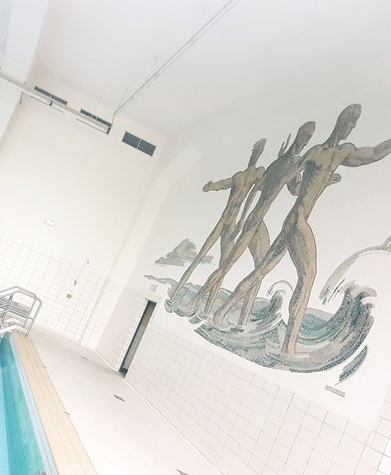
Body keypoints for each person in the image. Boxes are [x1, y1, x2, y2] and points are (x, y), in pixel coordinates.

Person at [211, 104, 391, 354]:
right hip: (298, 221)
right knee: (307, 279)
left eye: (355, 123)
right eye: (350, 122)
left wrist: (324, 183)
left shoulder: (338, 152)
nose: (352, 127)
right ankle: (289, 347)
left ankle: (220, 314)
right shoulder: (321, 153)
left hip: (291, 220)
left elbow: (374, 154)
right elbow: (288, 182)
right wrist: (254, 214)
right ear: (340, 122)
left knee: (260, 271)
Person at [182, 121, 316, 323]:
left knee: (242, 267)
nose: (306, 142)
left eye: (309, 138)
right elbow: (292, 190)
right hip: (255, 221)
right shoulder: (293, 163)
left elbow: (258, 191)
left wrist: (244, 218)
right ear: (299, 135)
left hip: (254, 220)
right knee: (247, 269)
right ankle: (223, 313)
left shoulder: (277, 163)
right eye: (306, 137)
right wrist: (314, 180)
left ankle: (215, 310)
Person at [165, 139, 266, 313]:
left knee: (222, 266)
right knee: (199, 257)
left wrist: (242, 222)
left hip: (233, 225)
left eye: (260, 151)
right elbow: (223, 184)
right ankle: (173, 297)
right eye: (255, 150)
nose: (256, 154)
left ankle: (207, 308)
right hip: (224, 220)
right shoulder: (239, 176)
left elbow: (259, 190)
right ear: (252, 152)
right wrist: (211, 186)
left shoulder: (258, 174)